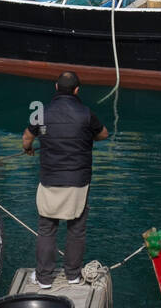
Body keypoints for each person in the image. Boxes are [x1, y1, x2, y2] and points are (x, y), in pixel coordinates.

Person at [22, 71, 109, 288]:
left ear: (56, 87)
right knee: (76, 229)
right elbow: (104, 134)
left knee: (46, 229)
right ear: (78, 90)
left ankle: (43, 278)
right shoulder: (86, 113)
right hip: (78, 181)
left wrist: (29, 148)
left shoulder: (41, 113)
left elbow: (27, 136)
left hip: (50, 179)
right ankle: (72, 275)